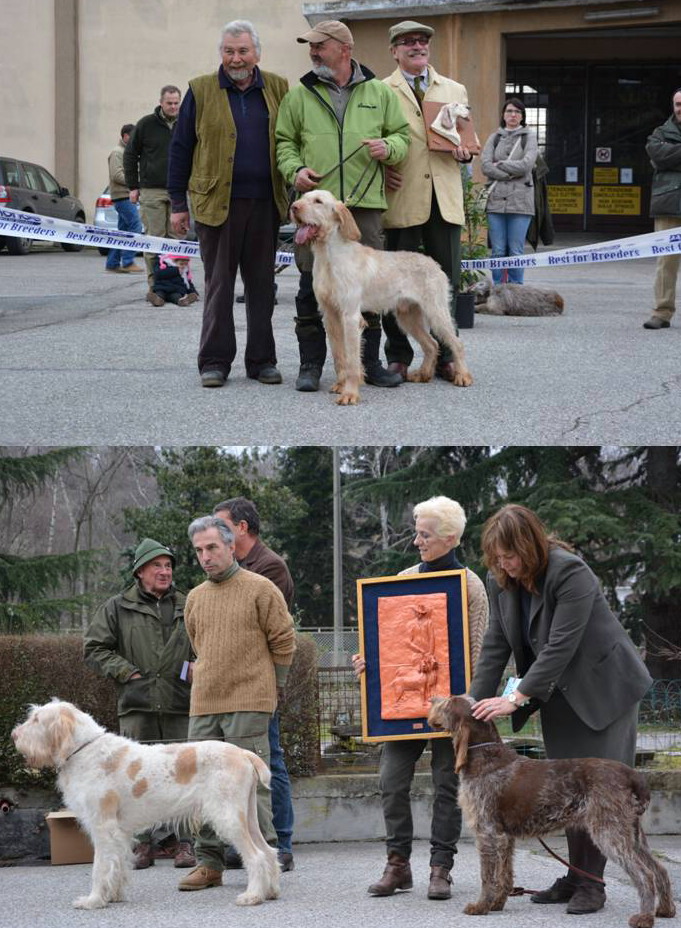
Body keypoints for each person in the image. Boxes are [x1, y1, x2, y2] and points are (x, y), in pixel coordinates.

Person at [468, 504, 653, 915]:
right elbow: (495, 646)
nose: (504, 565)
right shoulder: (501, 582)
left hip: (604, 691)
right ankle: (575, 875)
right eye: (496, 558)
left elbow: (560, 645)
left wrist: (516, 697)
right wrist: (472, 706)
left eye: (510, 556)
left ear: (530, 547)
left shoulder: (570, 572)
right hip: (557, 694)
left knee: (598, 793)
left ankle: (592, 883)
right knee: (568, 790)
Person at [352, 496, 489, 901]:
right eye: (417, 533)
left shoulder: (471, 586)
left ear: (449, 538)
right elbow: (390, 641)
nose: (416, 541)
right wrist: (368, 661)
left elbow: (479, 652)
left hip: (451, 708)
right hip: (402, 708)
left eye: (424, 534)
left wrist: (465, 704)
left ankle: (440, 868)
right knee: (391, 782)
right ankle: (398, 865)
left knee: (447, 785)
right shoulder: (404, 578)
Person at [275, 20, 410, 393]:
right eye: (311, 45)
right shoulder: (299, 95)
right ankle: (311, 364)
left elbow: (401, 136)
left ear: (344, 49)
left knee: (365, 288)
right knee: (309, 285)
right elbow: (284, 143)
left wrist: (390, 149)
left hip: (362, 206)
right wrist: (295, 170)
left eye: (320, 45)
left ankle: (367, 365)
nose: (313, 51)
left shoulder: (378, 92)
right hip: (314, 208)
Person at [178, 515, 296, 892]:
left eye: (212, 547)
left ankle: (264, 864)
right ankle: (208, 863)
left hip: (251, 700)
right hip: (205, 702)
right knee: (200, 784)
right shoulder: (195, 597)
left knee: (253, 784)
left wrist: (271, 688)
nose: (205, 557)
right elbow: (198, 644)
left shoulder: (261, 589)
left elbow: (283, 641)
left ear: (231, 546)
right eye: (199, 550)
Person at [168, 21, 288, 389]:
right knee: (220, 286)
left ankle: (262, 361)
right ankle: (215, 362)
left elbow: (291, 139)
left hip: (266, 203)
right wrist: (177, 203)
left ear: (257, 54)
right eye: (229, 51)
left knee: (262, 286)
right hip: (216, 205)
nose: (236, 59)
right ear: (221, 53)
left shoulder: (279, 88)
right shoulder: (200, 90)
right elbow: (181, 148)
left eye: (243, 51)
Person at [83, 537, 195, 871]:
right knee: (136, 779)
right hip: (138, 704)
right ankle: (143, 845)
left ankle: (184, 843)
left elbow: (205, 643)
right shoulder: (118, 606)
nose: (165, 572)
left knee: (182, 776)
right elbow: (94, 647)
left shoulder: (188, 603)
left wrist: (197, 668)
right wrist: (125, 671)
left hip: (179, 702)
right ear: (140, 571)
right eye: (157, 566)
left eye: (168, 566)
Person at [381, 20, 473, 383]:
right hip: (402, 196)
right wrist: (382, 170)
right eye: (408, 42)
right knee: (393, 285)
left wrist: (467, 153)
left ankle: (447, 356)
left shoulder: (454, 88)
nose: (417, 47)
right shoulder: (381, 90)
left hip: (444, 197)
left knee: (445, 281)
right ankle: (398, 356)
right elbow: (377, 139)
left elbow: (466, 139)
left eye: (422, 41)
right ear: (394, 50)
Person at [213, 497, 295, 871]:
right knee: (235, 765)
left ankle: (282, 842)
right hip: (230, 685)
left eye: (222, 525)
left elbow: (271, 631)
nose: (215, 534)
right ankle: (242, 842)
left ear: (242, 528)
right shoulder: (229, 567)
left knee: (268, 761)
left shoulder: (269, 568)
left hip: (259, 685)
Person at [123, 85, 182, 294]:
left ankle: (175, 285)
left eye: (176, 103)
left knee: (176, 241)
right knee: (154, 240)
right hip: (152, 190)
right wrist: (133, 186)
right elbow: (130, 155)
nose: (173, 107)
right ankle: (154, 286)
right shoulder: (146, 124)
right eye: (169, 103)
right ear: (161, 102)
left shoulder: (187, 123)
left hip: (179, 192)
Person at [480, 98, 538, 284]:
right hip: (496, 201)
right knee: (497, 250)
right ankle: (498, 289)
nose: (513, 115)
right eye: (509, 111)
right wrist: (509, 174)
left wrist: (502, 164)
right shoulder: (494, 137)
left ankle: (516, 290)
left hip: (521, 202)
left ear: (522, 116)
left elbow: (527, 165)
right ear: (503, 115)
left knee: (515, 250)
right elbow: (486, 166)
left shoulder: (529, 137)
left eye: (517, 112)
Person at [642, 87, 681, 330]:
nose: (680, 109)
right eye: (678, 104)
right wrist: (666, 158)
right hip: (668, 204)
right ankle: (662, 312)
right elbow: (658, 157)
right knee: (666, 263)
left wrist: (671, 157)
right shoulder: (659, 133)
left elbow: (666, 159)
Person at [104, 124, 144, 275]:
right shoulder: (117, 152)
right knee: (136, 226)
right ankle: (128, 261)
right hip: (122, 196)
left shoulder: (128, 152)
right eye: (133, 136)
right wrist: (136, 182)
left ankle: (112, 263)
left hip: (126, 195)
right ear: (125, 136)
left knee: (123, 231)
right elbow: (116, 175)